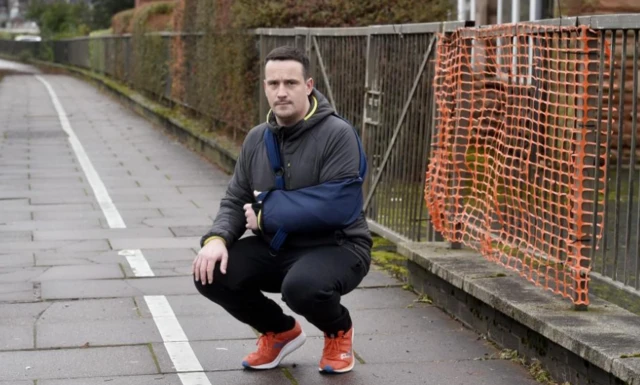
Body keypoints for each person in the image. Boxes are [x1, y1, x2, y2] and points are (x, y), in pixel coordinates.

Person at [192, 45, 372, 374]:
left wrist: (266, 213)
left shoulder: (338, 135)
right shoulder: (256, 138)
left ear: (309, 85)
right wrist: (216, 238)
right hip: (278, 246)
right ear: (265, 87)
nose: (281, 92)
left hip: (338, 246)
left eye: (290, 83)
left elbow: (340, 205)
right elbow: (236, 198)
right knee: (209, 272)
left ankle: (339, 330)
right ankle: (280, 331)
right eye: (273, 84)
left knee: (302, 288)